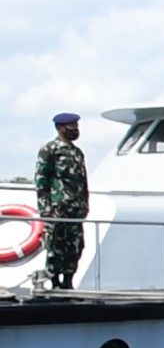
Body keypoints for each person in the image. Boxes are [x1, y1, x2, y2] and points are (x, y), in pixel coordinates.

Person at [35, 112, 90, 290]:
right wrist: (45, 208)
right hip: (57, 207)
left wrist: (85, 204)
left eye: (77, 127)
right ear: (60, 128)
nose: (76, 130)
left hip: (76, 208)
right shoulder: (50, 149)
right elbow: (42, 179)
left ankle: (68, 280)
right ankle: (55, 281)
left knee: (75, 246)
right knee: (55, 246)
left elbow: (83, 181)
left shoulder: (77, 152)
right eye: (72, 127)